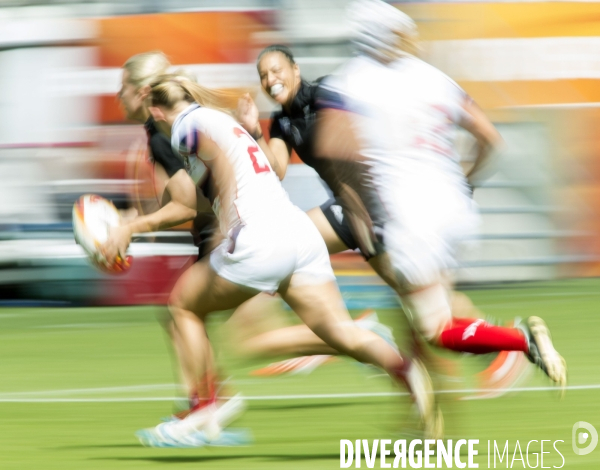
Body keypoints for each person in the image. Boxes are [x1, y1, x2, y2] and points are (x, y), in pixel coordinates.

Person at [102, 72, 440, 446]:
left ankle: (206, 405)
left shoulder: (184, 127)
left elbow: (211, 179)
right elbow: (193, 201)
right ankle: (406, 371)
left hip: (258, 240)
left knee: (182, 306)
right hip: (298, 232)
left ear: (157, 111)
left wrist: (226, 217)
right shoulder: (220, 120)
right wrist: (137, 221)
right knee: (340, 333)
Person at [313, 0, 566, 392]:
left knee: (435, 328)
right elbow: (490, 139)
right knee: (417, 312)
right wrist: (465, 181)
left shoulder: (352, 79)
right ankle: (425, 419)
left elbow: (330, 147)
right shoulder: (433, 77)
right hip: (454, 211)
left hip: (410, 219)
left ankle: (519, 342)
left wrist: (359, 207)